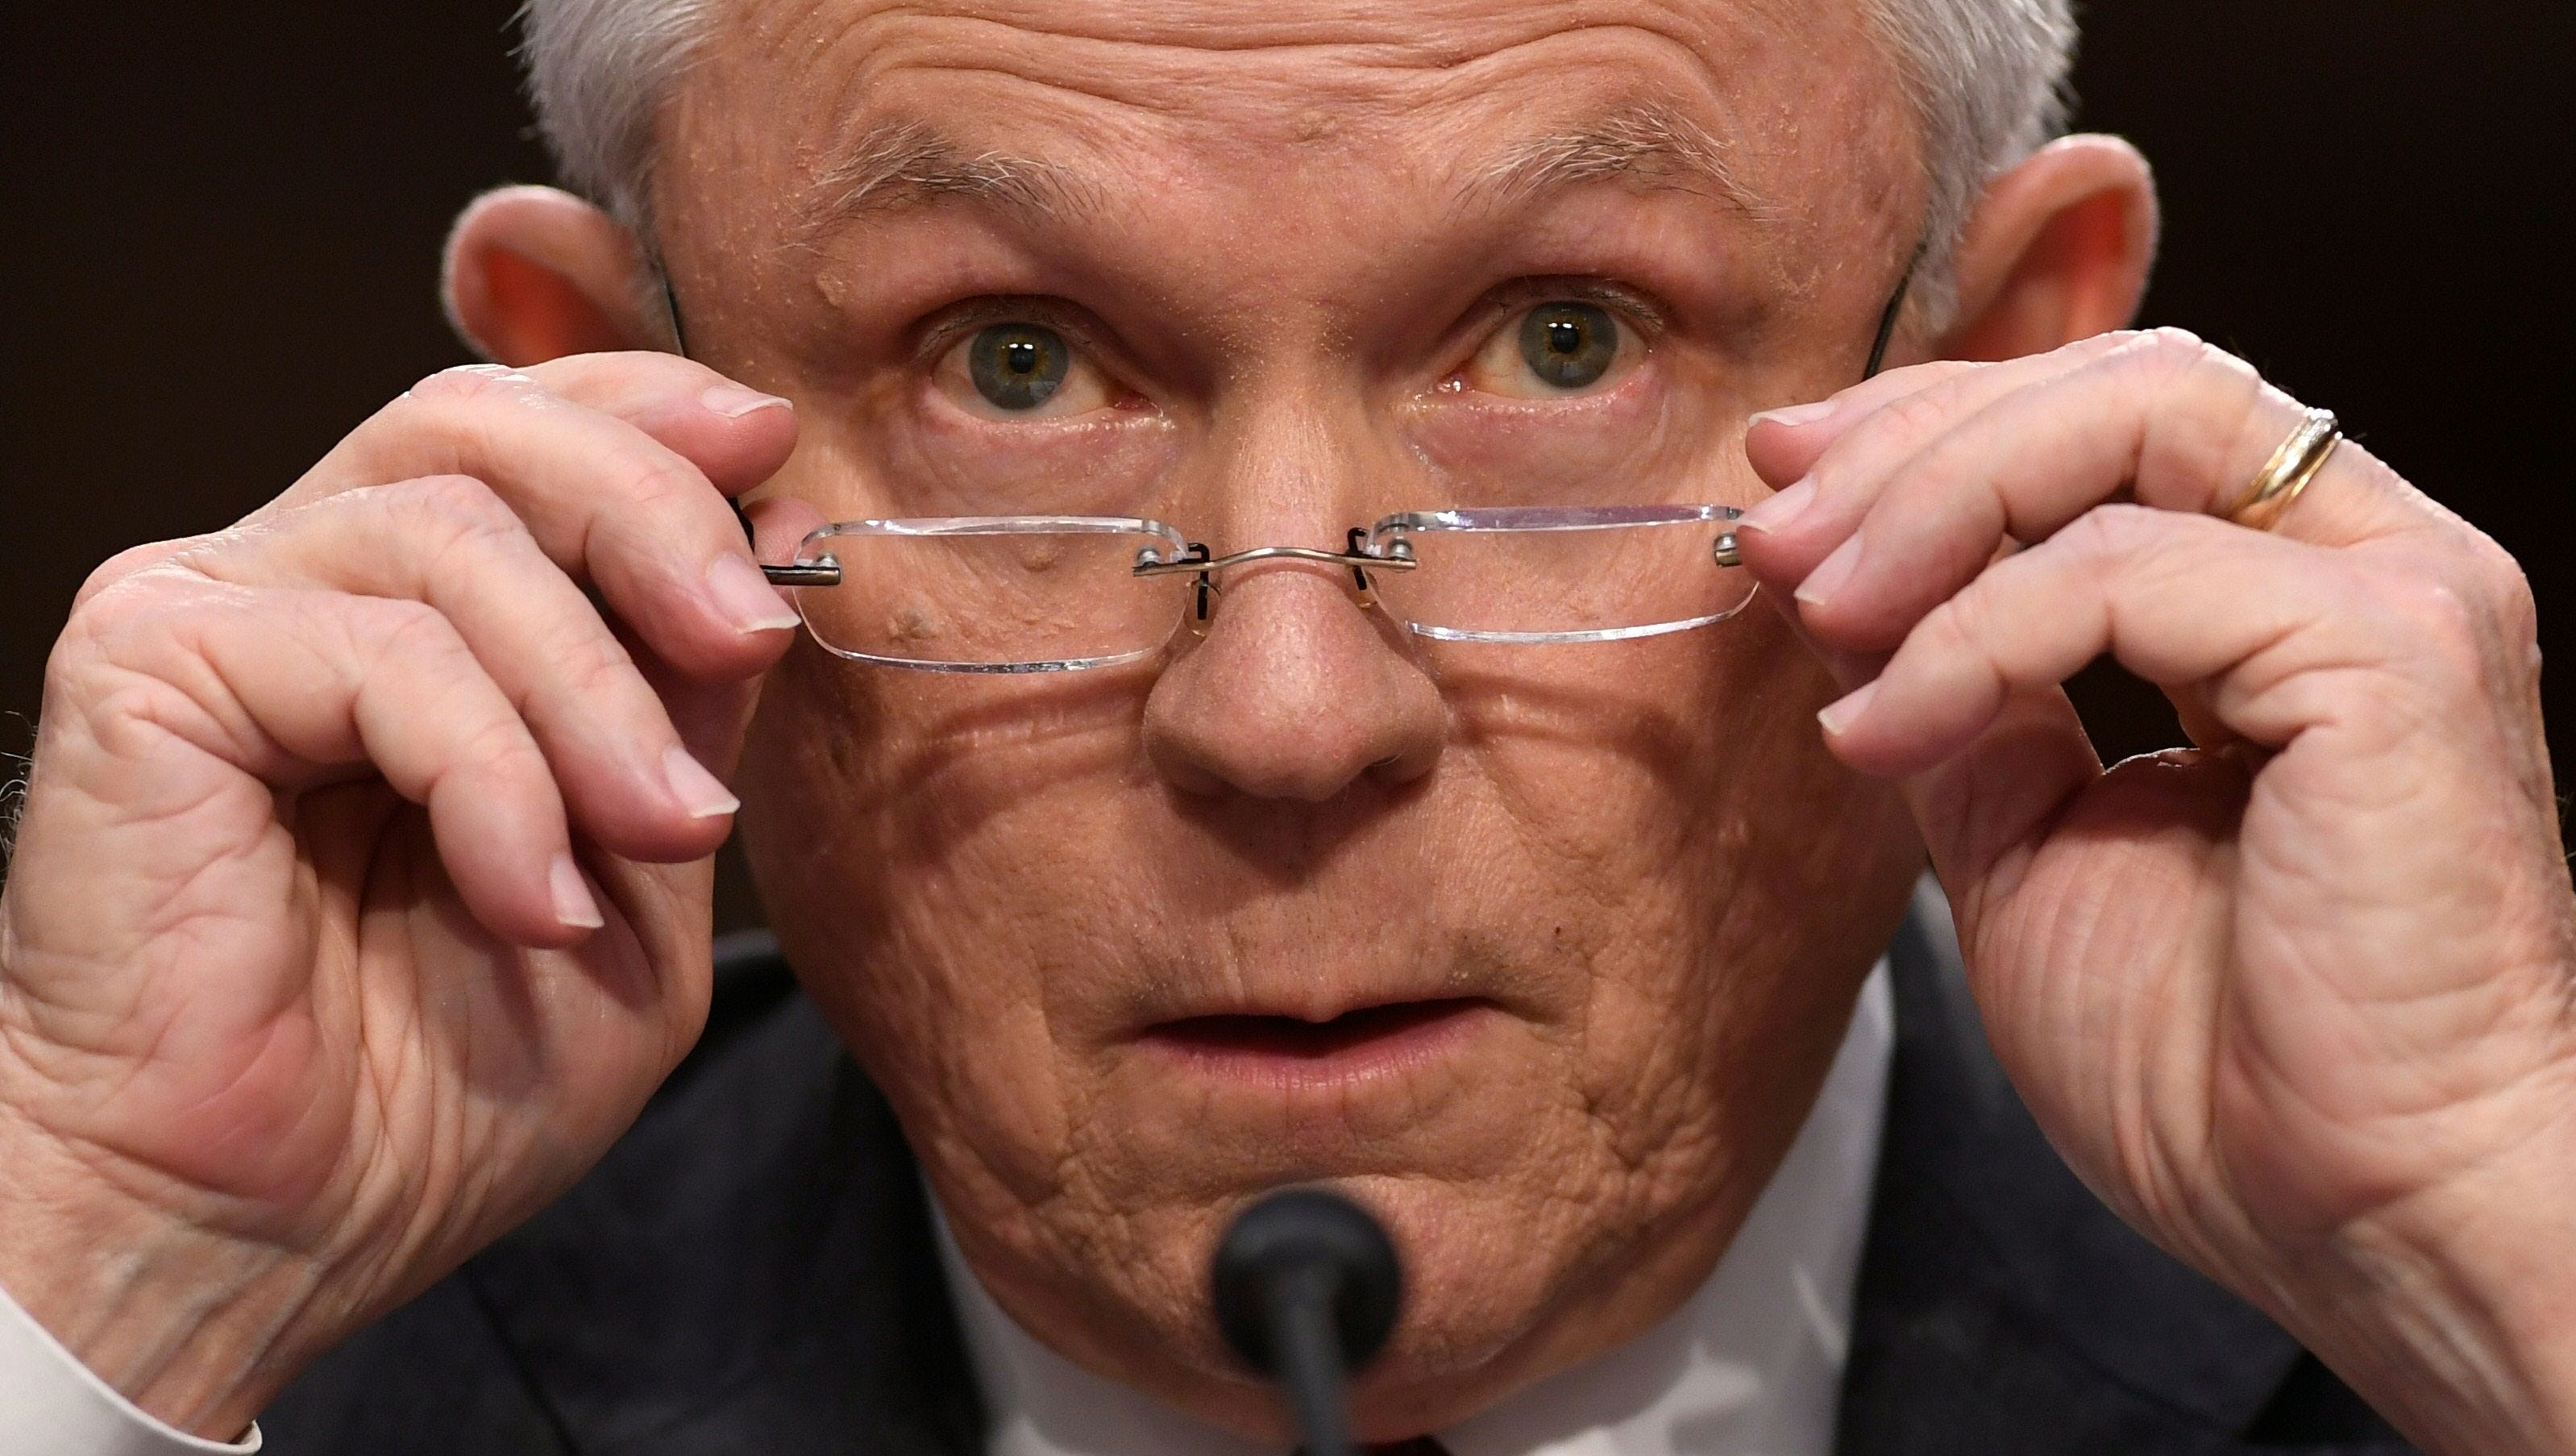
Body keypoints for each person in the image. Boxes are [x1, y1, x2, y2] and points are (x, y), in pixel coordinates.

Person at [0, 0, 2567, 1451]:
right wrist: (124, 1268)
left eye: (1564, 343)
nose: (1285, 707)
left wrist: (2484, 1250)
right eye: (1016, 371)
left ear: (2006, 380)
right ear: (604, 437)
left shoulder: (2441, 1344)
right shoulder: (270, 1383)